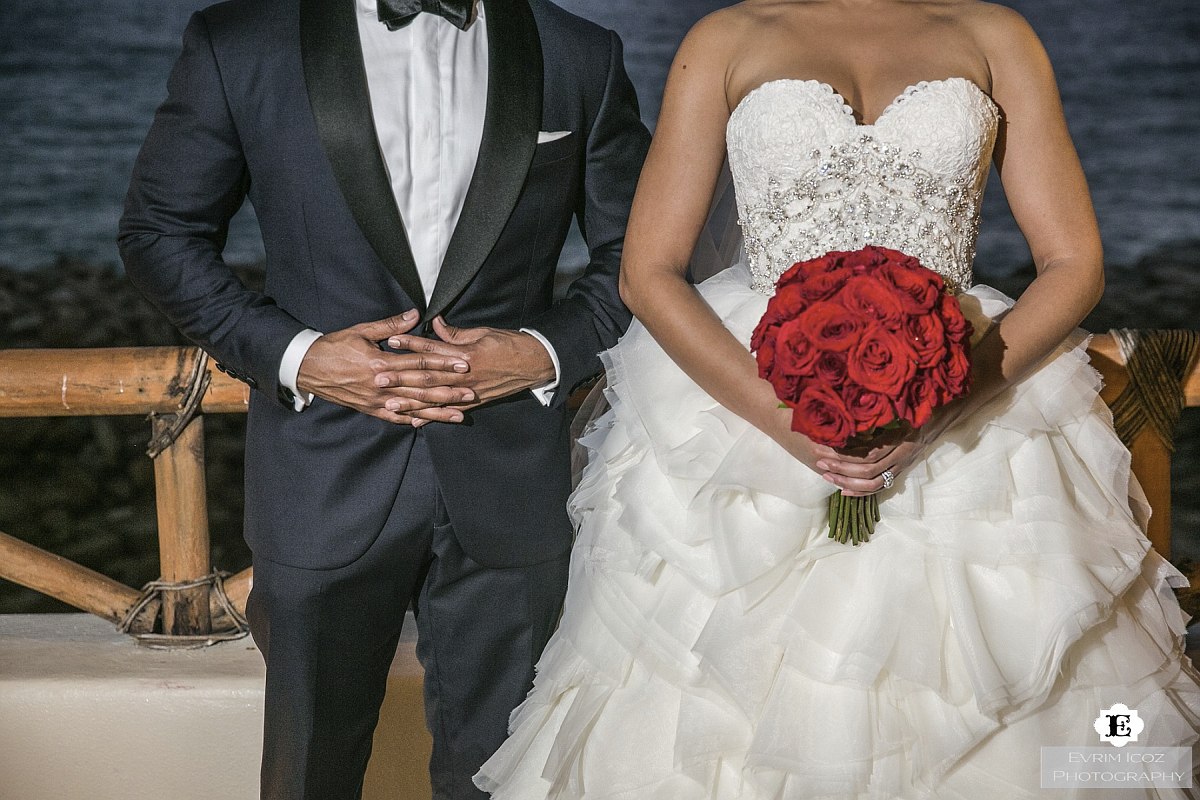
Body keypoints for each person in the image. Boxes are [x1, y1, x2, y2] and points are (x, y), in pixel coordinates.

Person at [473, 0, 1200, 796]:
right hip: (748, 410)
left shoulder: (994, 34)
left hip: (962, 395)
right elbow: (647, 271)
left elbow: (1073, 261)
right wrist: (788, 424)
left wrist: (945, 401)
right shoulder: (727, 38)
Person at [118, 0, 650, 797]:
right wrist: (301, 357)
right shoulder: (240, 42)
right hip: (320, 470)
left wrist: (541, 351)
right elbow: (160, 232)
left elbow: (641, 257)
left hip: (509, 477)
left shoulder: (579, 53)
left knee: (502, 779)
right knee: (309, 775)